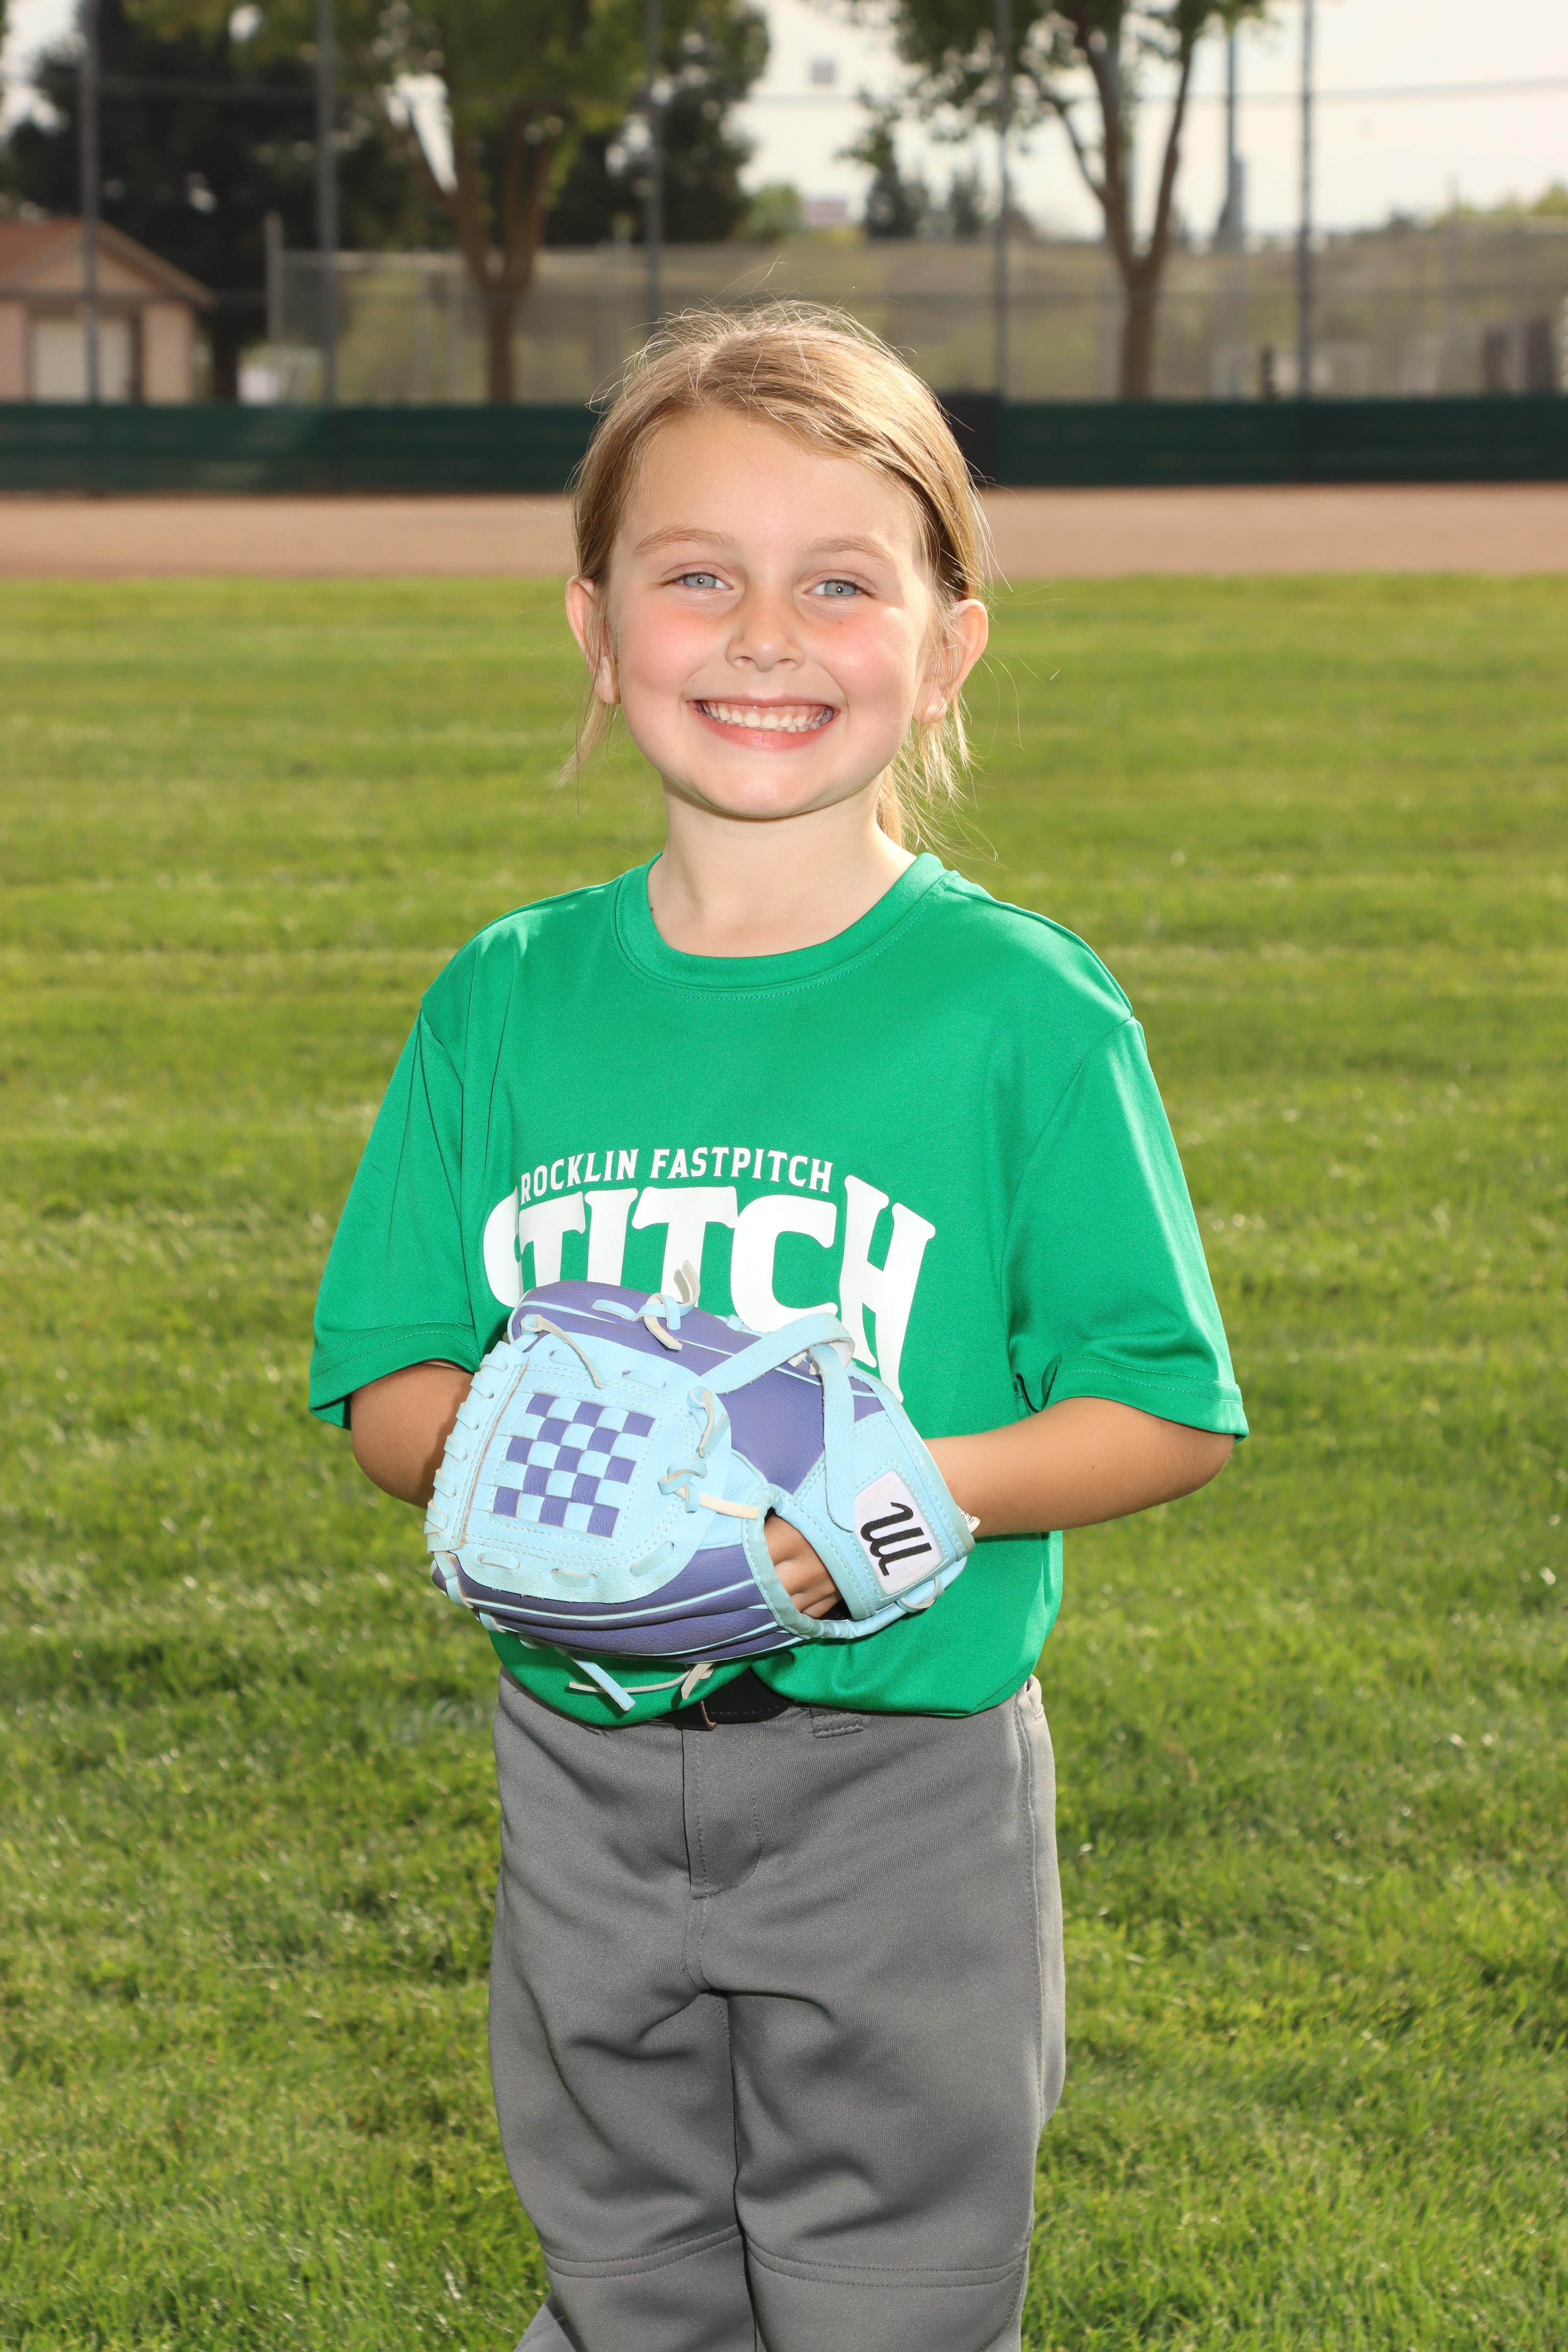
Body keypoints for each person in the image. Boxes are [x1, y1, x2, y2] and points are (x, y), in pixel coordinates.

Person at [309, 303, 1248, 2352]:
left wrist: (867, 1509)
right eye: (695, 577)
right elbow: (389, 1378)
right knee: (623, 2281)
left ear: (945, 644)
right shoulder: (506, 1000)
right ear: (595, 629)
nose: (762, 637)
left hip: (898, 1782)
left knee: (890, 2301)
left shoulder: (1016, 1012)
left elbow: (1161, 1409)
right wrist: (553, 1490)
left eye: (839, 583)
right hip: (580, 1764)